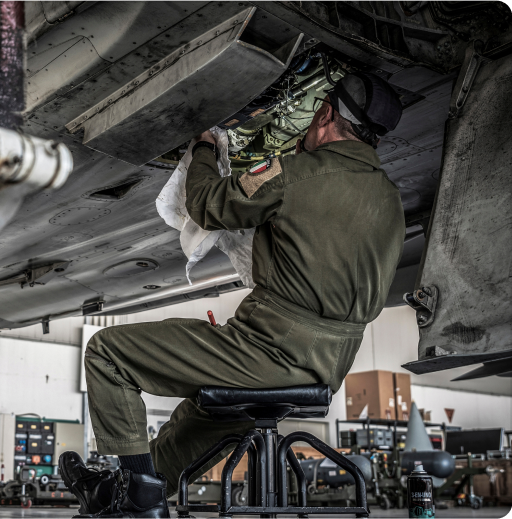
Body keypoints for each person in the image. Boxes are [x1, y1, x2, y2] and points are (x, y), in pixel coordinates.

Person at [59, 72, 406, 519]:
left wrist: (205, 145)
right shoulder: (389, 197)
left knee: (107, 353)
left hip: (269, 351)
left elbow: (205, 204)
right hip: (329, 367)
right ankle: (113, 493)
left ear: (323, 115)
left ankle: (141, 505)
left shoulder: (298, 175)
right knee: (195, 418)